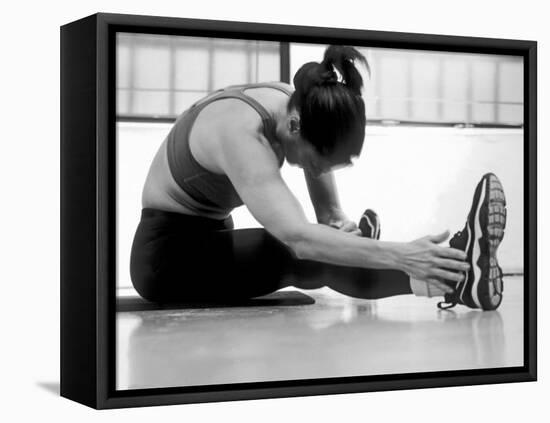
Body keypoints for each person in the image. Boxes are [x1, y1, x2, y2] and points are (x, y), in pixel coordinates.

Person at [130, 45, 506, 311]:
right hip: (166, 258)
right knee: (294, 253)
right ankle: (457, 279)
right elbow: (300, 240)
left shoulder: (299, 106)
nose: (319, 172)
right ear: (295, 128)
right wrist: (400, 253)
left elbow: (327, 213)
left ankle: (439, 268)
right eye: (318, 163)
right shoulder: (240, 132)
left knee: (324, 243)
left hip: (212, 237)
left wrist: (340, 227)